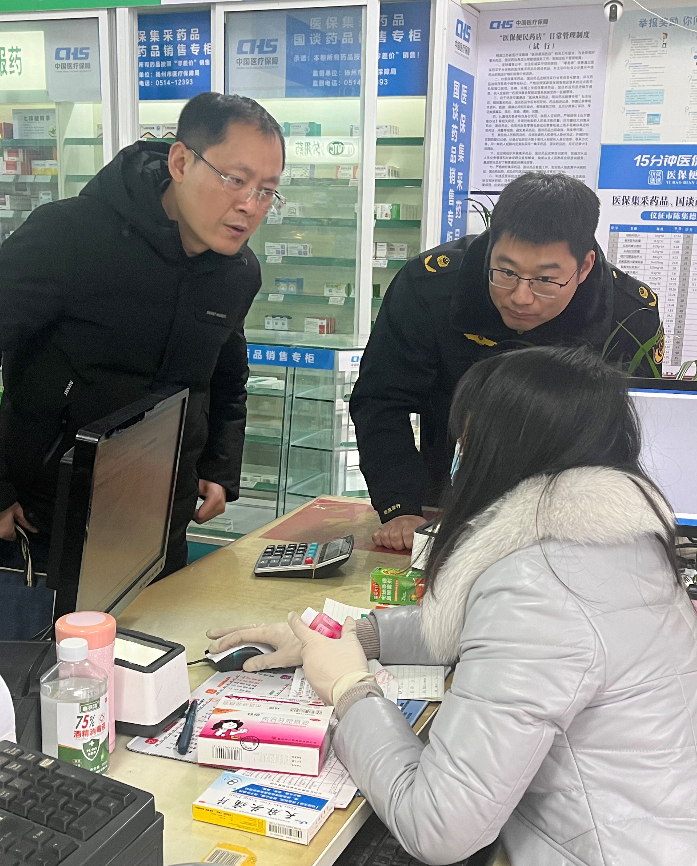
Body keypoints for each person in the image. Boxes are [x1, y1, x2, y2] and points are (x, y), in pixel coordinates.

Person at [208, 346, 697, 866]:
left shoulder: (544, 583)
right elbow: (491, 632)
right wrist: (355, 635)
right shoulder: (617, 543)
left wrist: (350, 689)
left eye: (466, 438)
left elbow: (437, 827)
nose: (457, 454)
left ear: (504, 449)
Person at [0, 92, 285, 591]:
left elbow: (225, 374)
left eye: (267, 191)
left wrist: (220, 465)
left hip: (161, 523)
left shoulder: (238, 271)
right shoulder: (69, 235)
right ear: (180, 162)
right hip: (42, 520)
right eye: (235, 180)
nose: (249, 205)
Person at [350, 173, 663, 551]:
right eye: (506, 271)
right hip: (447, 504)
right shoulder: (429, 287)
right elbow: (381, 400)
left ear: (584, 267)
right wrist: (400, 505)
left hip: (575, 518)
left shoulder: (630, 316)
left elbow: (634, 434)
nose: (520, 297)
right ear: (490, 250)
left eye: (545, 280)